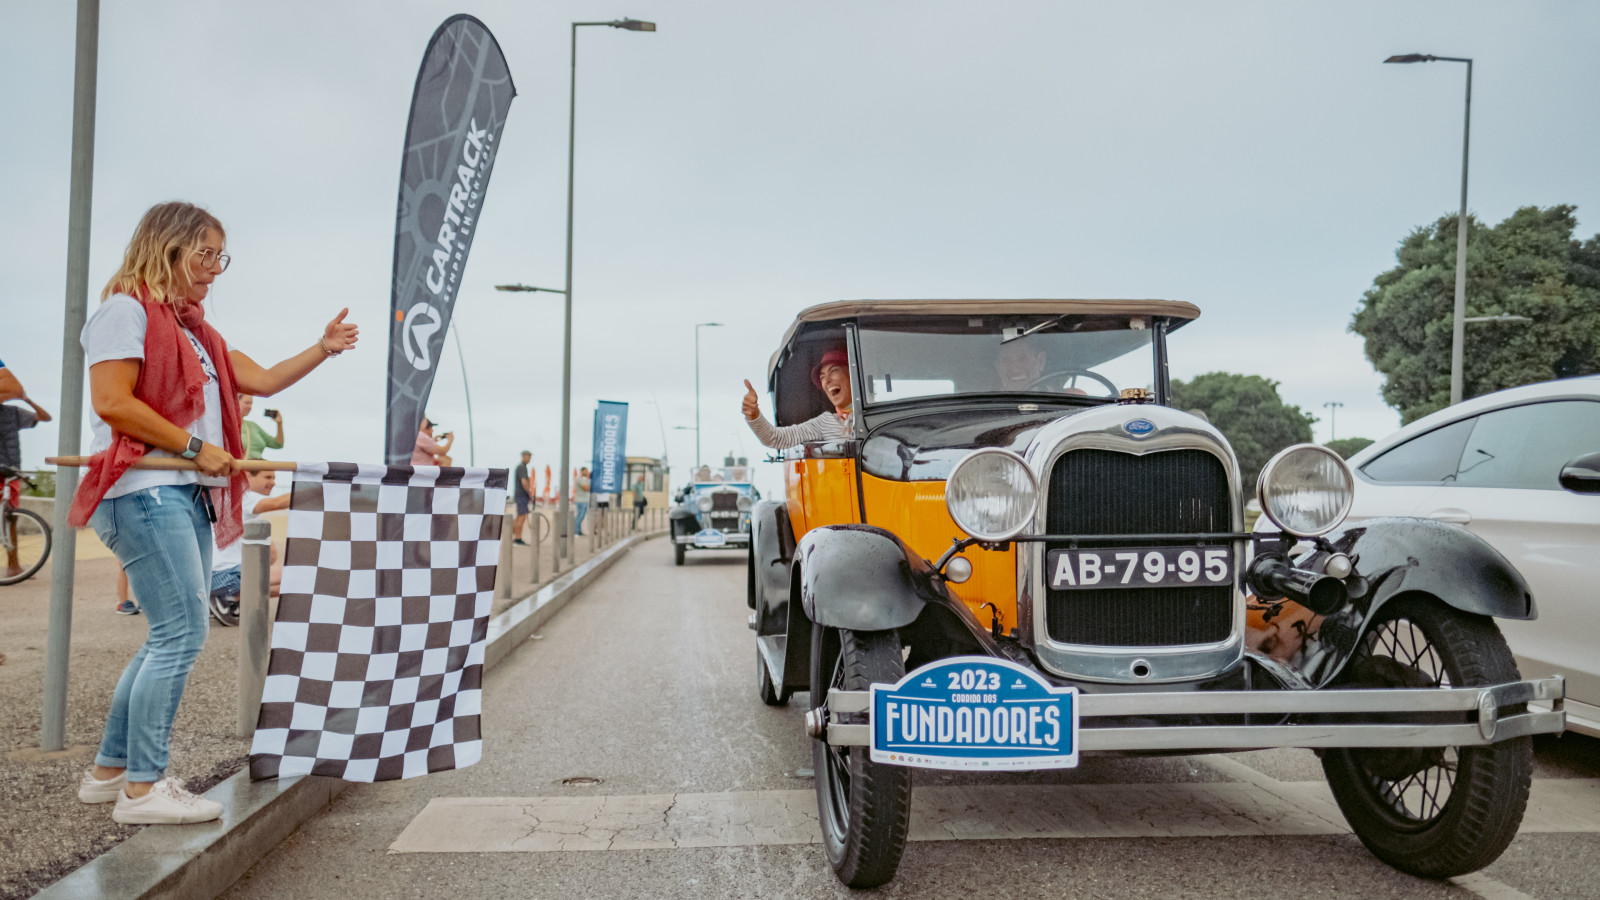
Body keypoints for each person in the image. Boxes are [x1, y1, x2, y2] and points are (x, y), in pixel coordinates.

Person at [69, 201, 358, 825]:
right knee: (181, 634)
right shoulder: (124, 311)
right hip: (142, 491)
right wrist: (195, 448)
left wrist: (323, 348)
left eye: (220, 257)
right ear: (168, 248)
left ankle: (109, 773)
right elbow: (112, 402)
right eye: (206, 254)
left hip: (177, 493)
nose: (215, 269)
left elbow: (265, 381)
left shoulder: (197, 331)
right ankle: (143, 791)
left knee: (168, 633)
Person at [208, 468, 291, 626]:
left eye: (274, 478)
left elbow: (271, 554)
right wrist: (314, 490)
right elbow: (277, 503)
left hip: (213, 575)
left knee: (285, 580)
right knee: (296, 574)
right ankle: (228, 597)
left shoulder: (229, 497)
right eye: (267, 477)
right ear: (247, 477)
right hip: (226, 574)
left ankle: (228, 598)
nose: (273, 483)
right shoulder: (244, 496)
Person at [741, 345, 854, 450]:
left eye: (834, 370)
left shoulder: (865, 415)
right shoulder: (824, 423)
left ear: (852, 375)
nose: (827, 381)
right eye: (822, 377)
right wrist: (754, 415)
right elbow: (775, 438)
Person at [237, 393, 283, 459]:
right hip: (243, 463)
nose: (250, 407)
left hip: (259, 463)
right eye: (246, 403)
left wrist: (279, 424)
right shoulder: (228, 426)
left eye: (251, 403)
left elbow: (278, 444)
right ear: (235, 402)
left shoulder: (252, 425)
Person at [512, 450, 532, 545]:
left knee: (519, 516)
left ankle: (514, 535)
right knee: (522, 517)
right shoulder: (522, 467)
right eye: (528, 456)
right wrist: (530, 493)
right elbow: (524, 482)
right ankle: (517, 538)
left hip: (519, 495)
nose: (529, 459)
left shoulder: (521, 467)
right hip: (522, 496)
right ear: (524, 456)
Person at [574, 467, 591, 536]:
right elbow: (585, 488)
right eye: (586, 471)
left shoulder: (586, 479)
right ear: (582, 471)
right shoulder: (578, 479)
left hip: (586, 500)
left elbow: (590, 488)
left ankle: (579, 530)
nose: (587, 472)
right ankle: (576, 531)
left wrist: (588, 487)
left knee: (582, 516)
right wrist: (588, 487)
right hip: (580, 500)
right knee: (579, 516)